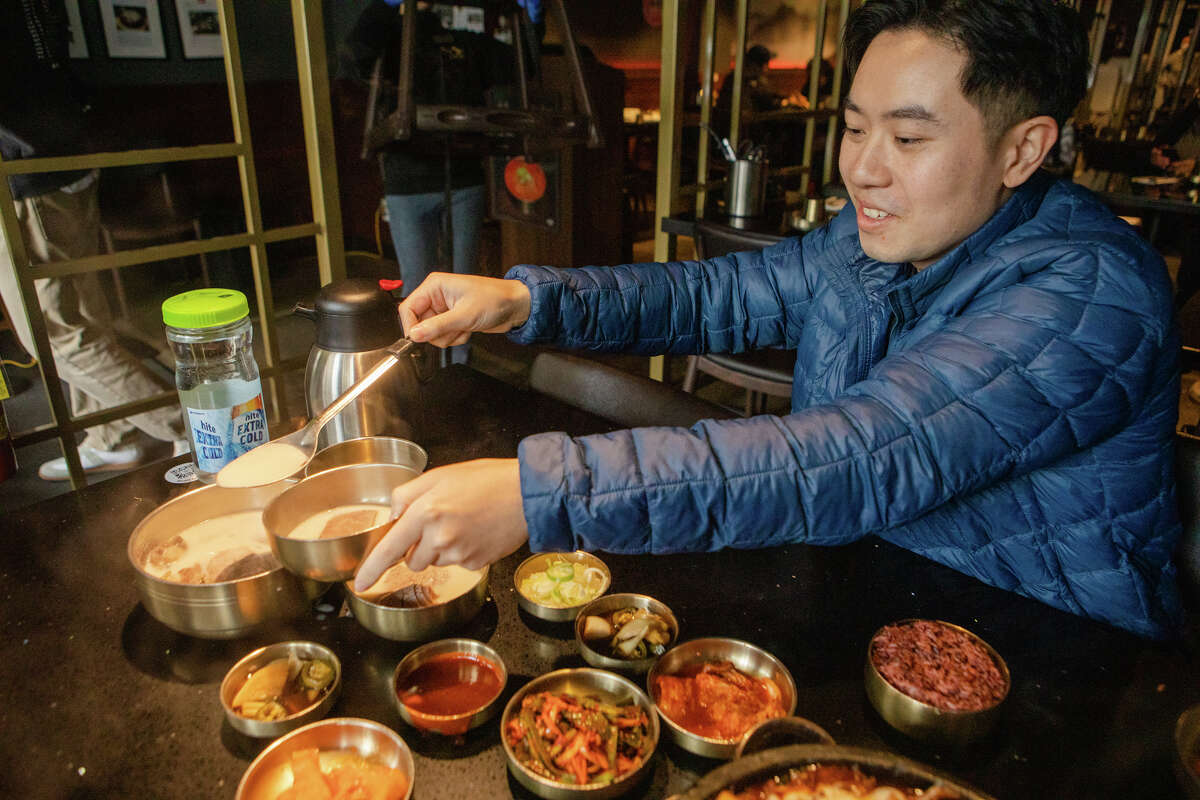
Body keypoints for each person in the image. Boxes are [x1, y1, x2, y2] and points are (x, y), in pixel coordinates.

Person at [355, 0, 1183, 640]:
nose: (862, 168)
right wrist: (528, 300)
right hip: (867, 595)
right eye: (855, 128)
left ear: (1022, 151)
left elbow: (862, 455)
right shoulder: (875, 245)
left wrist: (539, 495)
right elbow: (711, 298)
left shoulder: (1089, 292)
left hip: (1052, 658)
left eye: (907, 138)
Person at [0, 0, 188, 481]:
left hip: (24, 171)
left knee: (56, 335)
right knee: (78, 319)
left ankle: (192, 428)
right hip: (63, 157)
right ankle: (112, 435)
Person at [347, 0, 516, 364]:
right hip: (411, 180)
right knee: (418, 285)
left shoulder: (462, 44)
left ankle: (457, 369)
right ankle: (421, 364)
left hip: (459, 177)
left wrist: (529, 17)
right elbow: (356, 52)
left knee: (462, 283)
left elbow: (518, 64)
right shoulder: (390, 41)